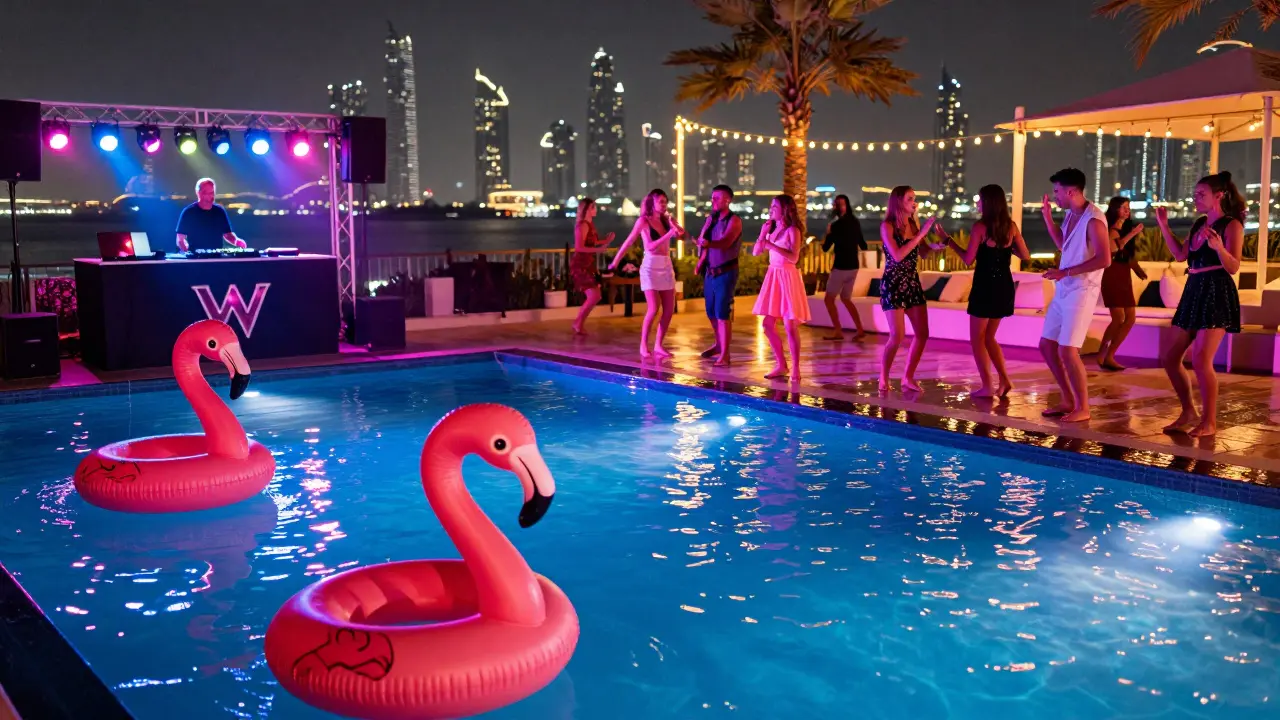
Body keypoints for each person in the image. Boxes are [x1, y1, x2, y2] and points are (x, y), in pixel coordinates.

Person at [1154, 171, 1245, 437]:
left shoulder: (1231, 226)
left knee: (1201, 360)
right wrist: (1163, 226)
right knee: (1170, 358)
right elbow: (1181, 255)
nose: (1196, 198)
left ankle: (1210, 421)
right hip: (1193, 290)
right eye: (1194, 194)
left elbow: (1234, 266)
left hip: (1216, 291)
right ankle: (1188, 412)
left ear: (1219, 195)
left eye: (1201, 194)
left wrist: (1219, 247)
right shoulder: (1199, 224)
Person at [939, 184, 1031, 398]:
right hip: (1004, 286)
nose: (977, 203)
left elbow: (968, 259)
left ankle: (988, 386)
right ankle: (1005, 380)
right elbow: (1025, 255)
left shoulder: (980, 227)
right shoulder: (1011, 226)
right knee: (989, 337)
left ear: (989, 202)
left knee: (977, 339)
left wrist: (948, 241)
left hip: (985, 286)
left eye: (980, 200)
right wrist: (1006, 247)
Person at [1038, 168, 1112, 423]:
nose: (1054, 196)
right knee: (1047, 346)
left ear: (1071, 191)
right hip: (1065, 288)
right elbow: (1064, 244)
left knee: (1068, 350)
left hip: (1082, 292)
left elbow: (1105, 259)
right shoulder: (1071, 215)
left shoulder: (1094, 220)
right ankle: (1068, 399)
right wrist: (1048, 219)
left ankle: (1083, 407)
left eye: (1057, 191)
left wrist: (1065, 271)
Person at [610, 189, 684, 358]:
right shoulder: (644, 221)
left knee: (669, 309)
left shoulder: (667, 220)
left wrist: (675, 226)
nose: (664, 204)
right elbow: (646, 245)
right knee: (653, 308)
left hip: (665, 266)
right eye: (660, 201)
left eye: (665, 201)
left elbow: (681, 234)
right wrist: (615, 261)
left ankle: (659, 345)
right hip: (650, 266)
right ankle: (643, 344)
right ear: (652, 203)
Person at [878, 185, 938, 393]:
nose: (914, 202)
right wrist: (920, 235)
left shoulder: (914, 223)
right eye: (910, 199)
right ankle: (883, 376)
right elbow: (897, 255)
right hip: (894, 282)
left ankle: (908, 377)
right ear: (898, 202)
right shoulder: (887, 226)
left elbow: (921, 252)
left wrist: (936, 246)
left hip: (912, 282)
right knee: (897, 336)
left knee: (922, 333)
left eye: (915, 198)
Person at [752, 194, 811, 380]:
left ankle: (796, 368)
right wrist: (763, 234)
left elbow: (794, 258)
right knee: (767, 324)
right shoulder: (774, 229)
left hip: (787, 276)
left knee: (789, 325)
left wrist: (771, 245)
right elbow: (756, 252)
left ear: (785, 209)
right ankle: (781, 364)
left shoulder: (793, 230)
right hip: (774, 276)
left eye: (774, 206)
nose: (771, 209)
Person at [695, 184, 743, 366]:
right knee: (711, 311)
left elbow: (725, 242)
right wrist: (700, 262)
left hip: (726, 272)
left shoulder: (734, 221)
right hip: (710, 272)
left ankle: (726, 353)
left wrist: (708, 244)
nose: (712, 201)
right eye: (712, 197)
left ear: (727, 200)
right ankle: (718, 344)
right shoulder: (712, 219)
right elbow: (704, 243)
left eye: (716, 198)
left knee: (723, 312)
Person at [1097, 196, 1147, 371]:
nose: (1127, 210)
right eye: (1124, 207)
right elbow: (1113, 249)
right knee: (1118, 318)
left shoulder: (1124, 230)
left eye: (1128, 207)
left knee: (1130, 318)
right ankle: (1104, 354)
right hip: (1111, 275)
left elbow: (1126, 256)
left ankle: (1110, 353)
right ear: (1115, 210)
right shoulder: (1110, 230)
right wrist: (1133, 233)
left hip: (1123, 275)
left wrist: (1137, 269)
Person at [821, 194, 868, 341]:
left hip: (841, 267)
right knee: (846, 298)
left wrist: (829, 233)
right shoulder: (855, 222)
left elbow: (825, 247)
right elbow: (863, 245)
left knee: (829, 300)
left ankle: (838, 331)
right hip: (853, 266)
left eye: (839, 204)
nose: (839, 206)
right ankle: (860, 329)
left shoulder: (835, 226)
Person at [569, 198, 615, 335]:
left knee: (596, 295)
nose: (595, 210)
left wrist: (606, 241)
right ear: (587, 210)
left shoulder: (590, 224)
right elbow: (579, 247)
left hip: (589, 264)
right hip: (581, 265)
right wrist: (599, 250)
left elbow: (592, 242)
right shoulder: (582, 225)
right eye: (593, 207)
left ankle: (578, 323)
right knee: (594, 295)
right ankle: (578, 323)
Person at [176, 178, 247, 252]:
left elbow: (228, 234)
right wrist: (186, 251)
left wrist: (237, 241)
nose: (211, 196)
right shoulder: (189, 212)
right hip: (196, 258)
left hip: (216, 256)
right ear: (199, 193)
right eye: (207, 193)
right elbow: (180, 239)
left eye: (212, 193)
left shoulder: (219, 211)